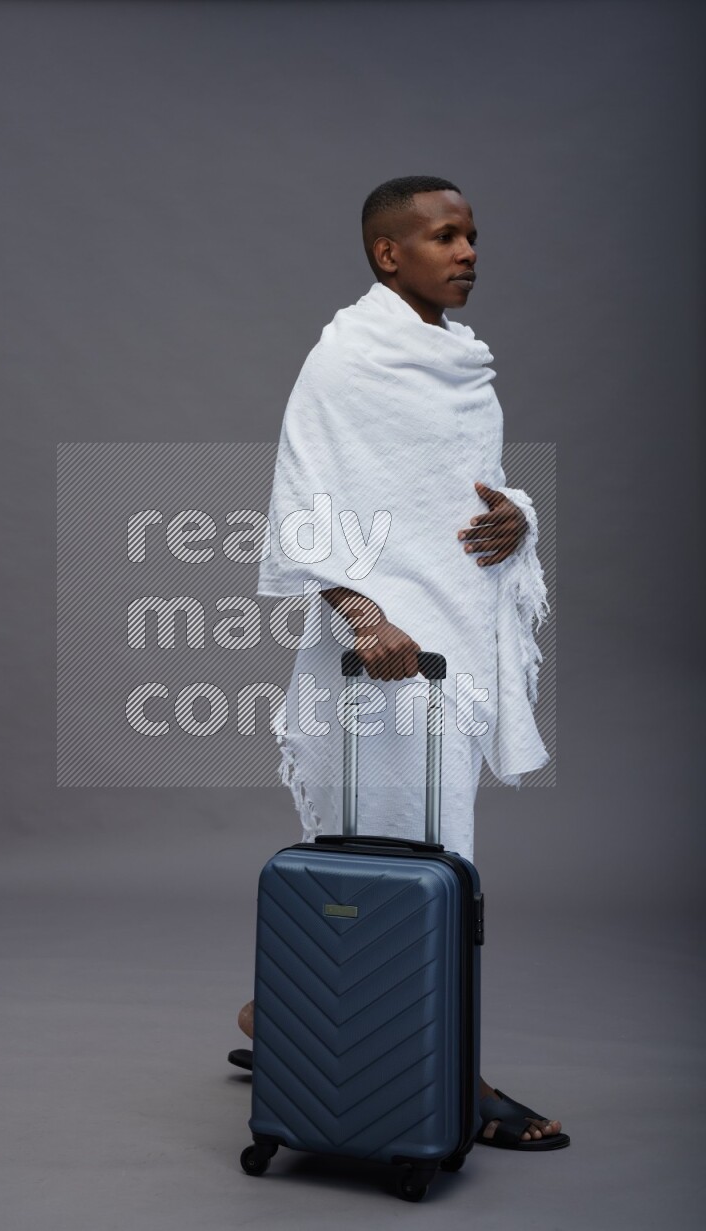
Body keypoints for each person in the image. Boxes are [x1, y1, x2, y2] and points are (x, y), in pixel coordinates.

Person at [229, 176, 569, 1152]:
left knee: (400, 857)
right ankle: (444, 1074)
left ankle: (289, 1020)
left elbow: (451, 493)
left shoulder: (457, 359)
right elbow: (303, 499)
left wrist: (515, 517)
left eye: (470, 236)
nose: (466, 252)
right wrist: (359, 613)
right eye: (442, 236)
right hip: (378, 659)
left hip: (450, 646)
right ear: (388, 253)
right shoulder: (345, 359)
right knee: (410, 853)